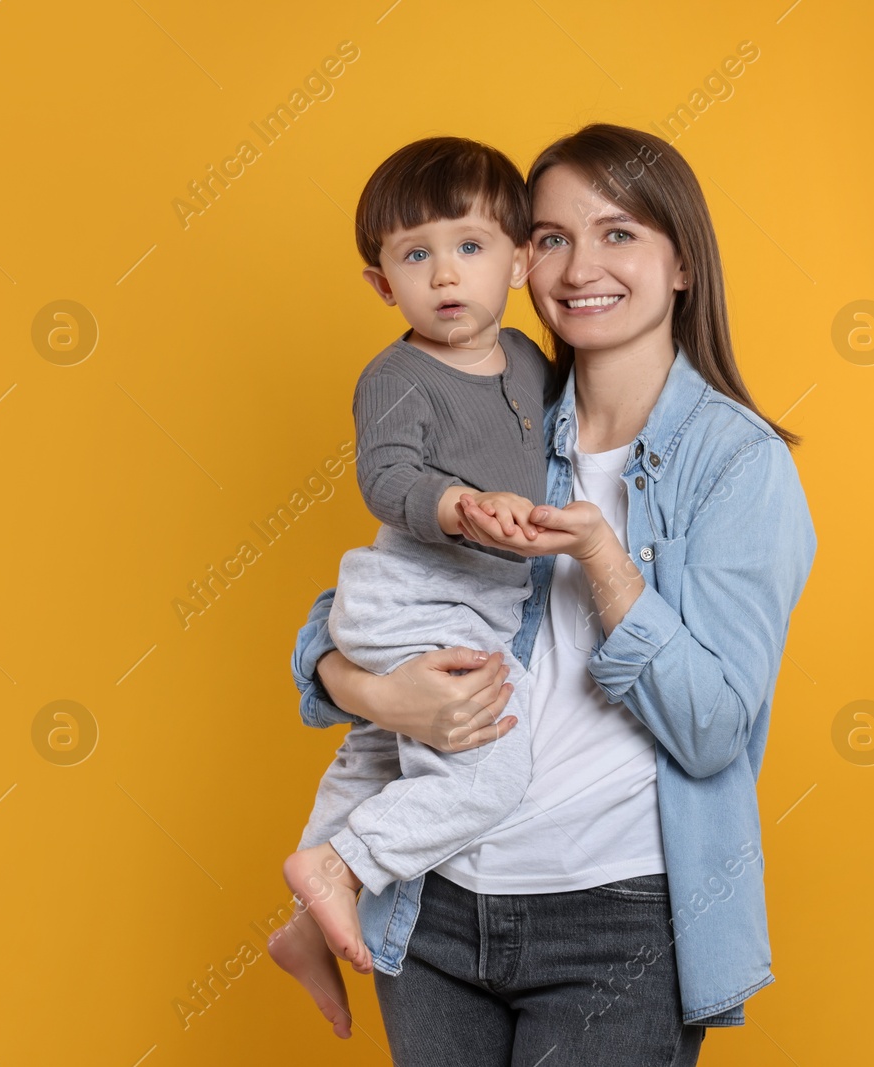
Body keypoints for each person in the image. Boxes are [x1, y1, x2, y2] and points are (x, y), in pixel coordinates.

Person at [287, 123, 818, 1065]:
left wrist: (609, 565)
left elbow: (711, 730)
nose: (581, 267)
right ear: (522, 260)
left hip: (614, 919)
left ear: (682, 261)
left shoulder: (740, 465)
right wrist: (375, 692)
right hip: (433, 902)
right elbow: (370, 614)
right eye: (553, 238)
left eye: (619, 234)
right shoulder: (503, 405)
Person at [267, 136, 553, 1041]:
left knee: (376, 758)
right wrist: (460, 504)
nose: (445, 274)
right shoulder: (396, 376)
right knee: (489, 770)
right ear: (382, 284)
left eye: (470, 247)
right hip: (416, 593)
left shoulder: (528, 358)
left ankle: (308, 927)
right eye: (414, 255)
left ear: (517, 260)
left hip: (468, 601)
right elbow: (385, 476)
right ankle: (344, 867)